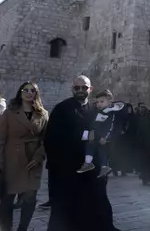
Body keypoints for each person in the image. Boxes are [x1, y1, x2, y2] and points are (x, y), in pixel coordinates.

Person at [44, 75, 117, 231]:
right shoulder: (61, 109)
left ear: (90, 89)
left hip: (91, 169)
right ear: (72, 89)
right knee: (65, 210)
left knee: (94, 206)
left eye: (84, 87)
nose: (80, 90)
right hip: (67, 169)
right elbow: (51, 138)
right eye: (77, 87)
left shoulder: (95, 110)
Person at [0, 82, 48, 231]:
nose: (29, 93)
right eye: (25, 90)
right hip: (12, 159)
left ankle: (23, 228)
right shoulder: (9, 113)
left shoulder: (43, 114)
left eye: (32, 90)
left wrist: (38, 157)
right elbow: (1, 139)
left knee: (30, 197)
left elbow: (46, 139)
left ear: (36, 93)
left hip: (33, 161)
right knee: (7, 198)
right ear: (20, 93)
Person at [77, 90, 124, 177]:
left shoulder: (109, 112)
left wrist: (104, 137)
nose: (99, 104)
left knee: (98, 147)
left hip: (101, 135)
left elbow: (110, 127)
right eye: (98, 102)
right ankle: (94, 164)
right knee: (92, 145)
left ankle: (95, 165)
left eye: (102, 101)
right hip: (96, 134)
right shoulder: (102, 111)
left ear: (110, 102)